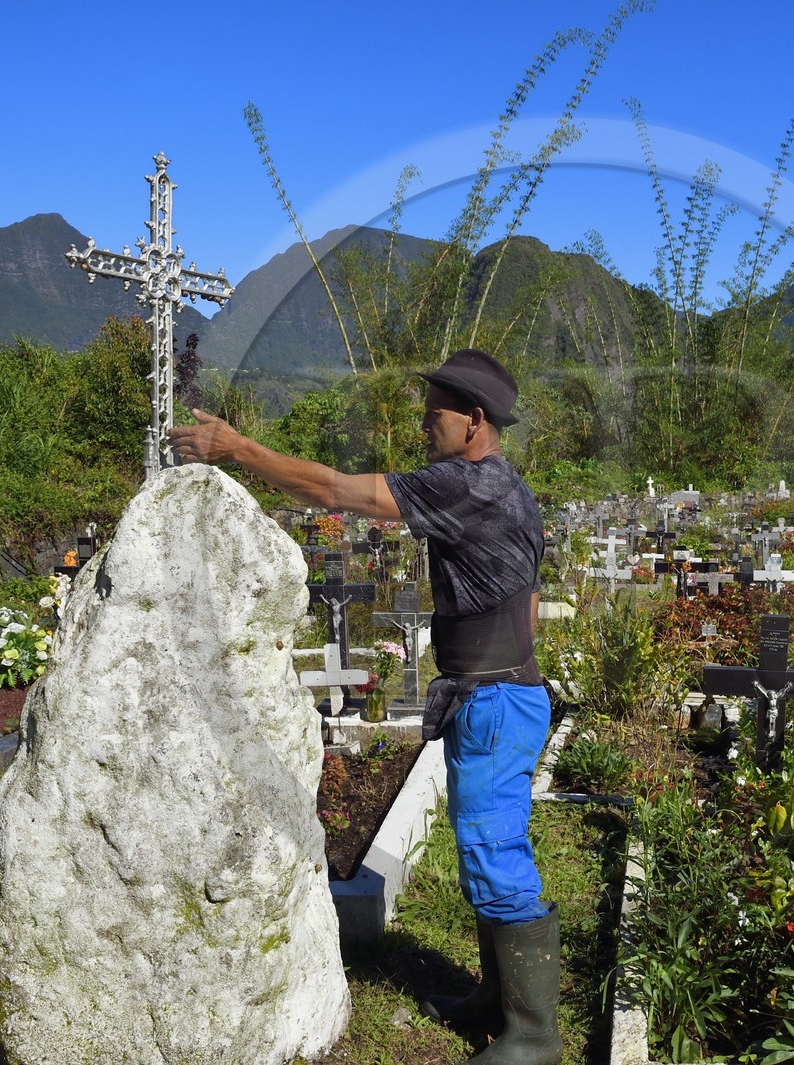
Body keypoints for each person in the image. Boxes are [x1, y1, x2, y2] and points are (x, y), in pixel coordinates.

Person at [165, 348, 560, 1065]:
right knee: (484, 848)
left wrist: (237, 447)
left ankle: (534, 1034)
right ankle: (496, 1000)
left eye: (434, 410)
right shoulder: (512, 488)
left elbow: (335, 491)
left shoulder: (466, 486)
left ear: (474, 421)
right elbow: (526, 604)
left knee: (496, 855)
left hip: (497, 699)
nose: (423, 420)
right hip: (502, 690)